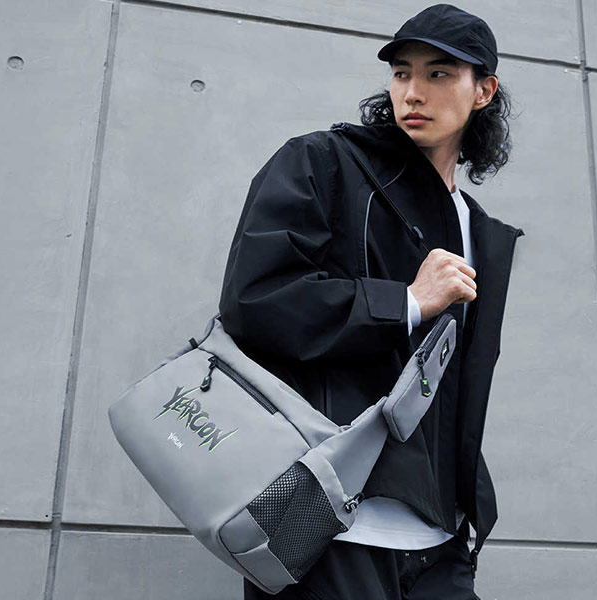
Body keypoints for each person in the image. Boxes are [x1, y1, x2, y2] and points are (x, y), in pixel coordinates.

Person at [218, 4, 525, 599]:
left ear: (483, 91)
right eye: (402, 72)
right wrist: (405, 302)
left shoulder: (479, 230)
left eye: (438, 74)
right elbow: (256, 299)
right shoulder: (324, 162)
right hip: (330, 526)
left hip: (439, 541)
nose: (413, 91)